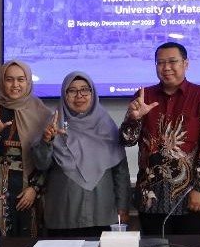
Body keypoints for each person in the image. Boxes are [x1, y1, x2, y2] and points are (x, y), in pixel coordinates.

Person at [119, 42, 200, 236]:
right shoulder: (144, 96)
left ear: (185, 64)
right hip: (151, 199)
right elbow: (127, 140)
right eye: (160, 63)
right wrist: (133, 119)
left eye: (172, 61)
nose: (166, 68)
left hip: (190, 198)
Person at [33, 71, 131, 237]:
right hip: (63, 215)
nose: (79, 95)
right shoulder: (52, 125)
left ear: (93, 93)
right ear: (64, 94)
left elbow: (120, 172)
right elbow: (41, 165)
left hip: (102, 213)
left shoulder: (106, 126)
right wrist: (47, 141)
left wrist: (123, 207)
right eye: (72, 91)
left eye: (85, 90)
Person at [0, 60, 49, 237]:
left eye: (21, 79)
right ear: (2, 82)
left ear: (28, 82)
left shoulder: (42, 114)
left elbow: (47, 158)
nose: (15, 85)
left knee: (30, 243)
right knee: (0, 242)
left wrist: (35, 188)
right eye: (9, 79)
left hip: (31, 189)